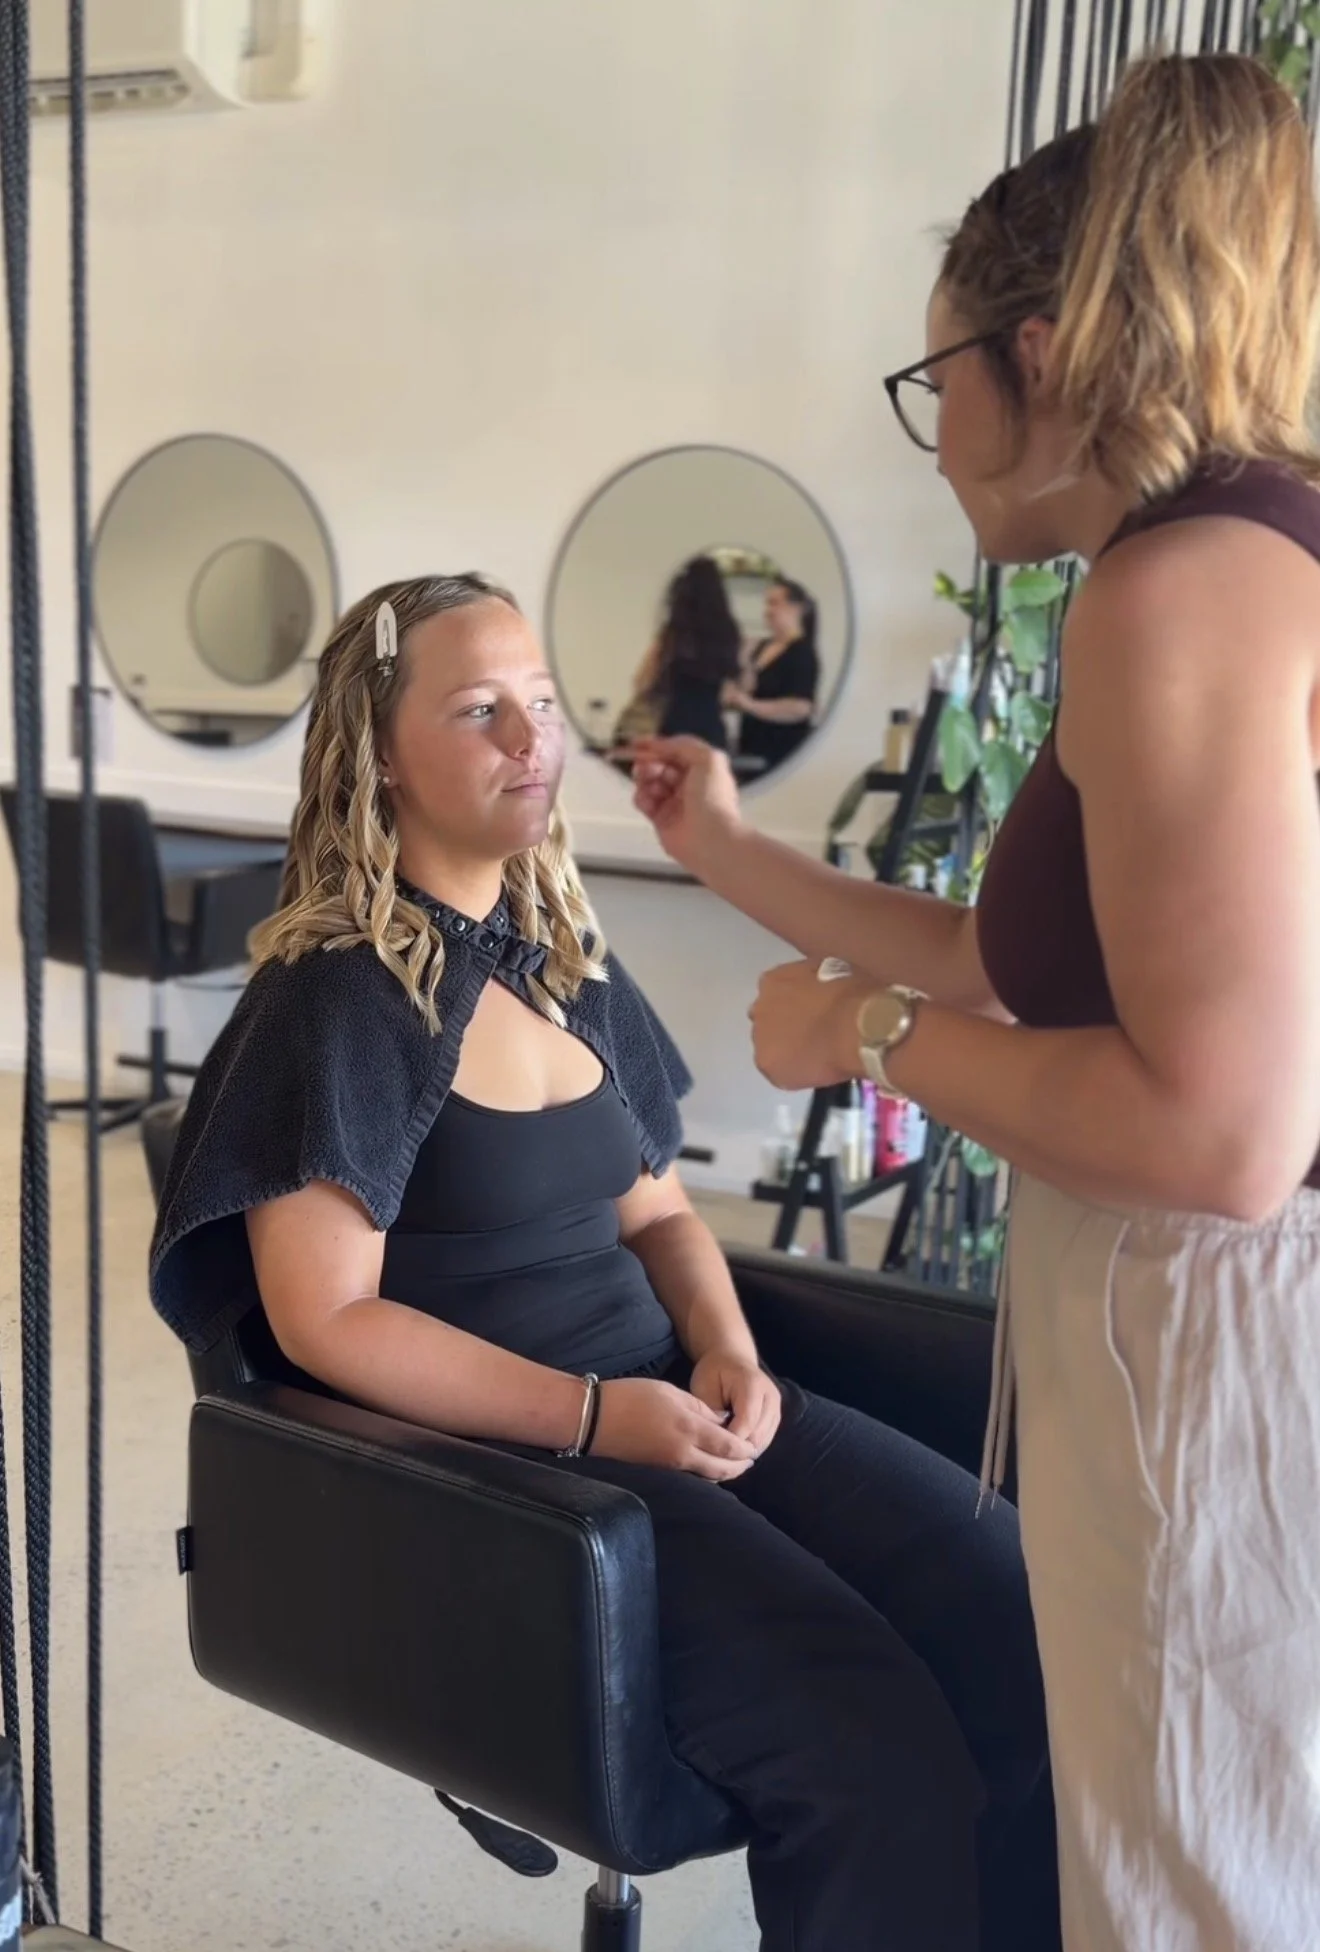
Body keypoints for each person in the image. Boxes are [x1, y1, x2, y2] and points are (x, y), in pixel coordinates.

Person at [630, 51, 1320, 1952]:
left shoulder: (1177, 594)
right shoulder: (1238, 550)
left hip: (1220, 1341)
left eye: (935, 380)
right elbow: (1011, 959)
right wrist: (728, 847)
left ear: (1039, 353)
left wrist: (864, 1042)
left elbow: (1227, 1134)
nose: (934, 437)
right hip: (1194, 1330)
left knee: (1203, 1883)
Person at [149, 573, 1060, 1952]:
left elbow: (662, 1216)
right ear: (377, 755)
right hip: (530, 1478)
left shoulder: (563, 959)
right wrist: (593, 1416)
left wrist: (728, 1347)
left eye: (542, 701)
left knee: (1021, 1621)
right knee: (868, 1743)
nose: (535, 739)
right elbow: (324, 1317)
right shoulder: (334, 998)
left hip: (677, 1399)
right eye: (481, 710)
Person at [611, 555, 742, 750]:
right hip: (711, 729)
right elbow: (732, 691)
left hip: (674, 726)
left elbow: (641, 682)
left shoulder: (673, 634)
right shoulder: (729, 635)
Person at [727, 577, 821, 771]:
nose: (767, 611)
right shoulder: (762, 646)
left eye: (774, 603)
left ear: (796, 609)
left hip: (781, 755)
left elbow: (800, 708)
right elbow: (748, 689)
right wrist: (744, 662)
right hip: (751, 747)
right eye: (767, 604)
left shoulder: (802, 653)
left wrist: (750, 705)